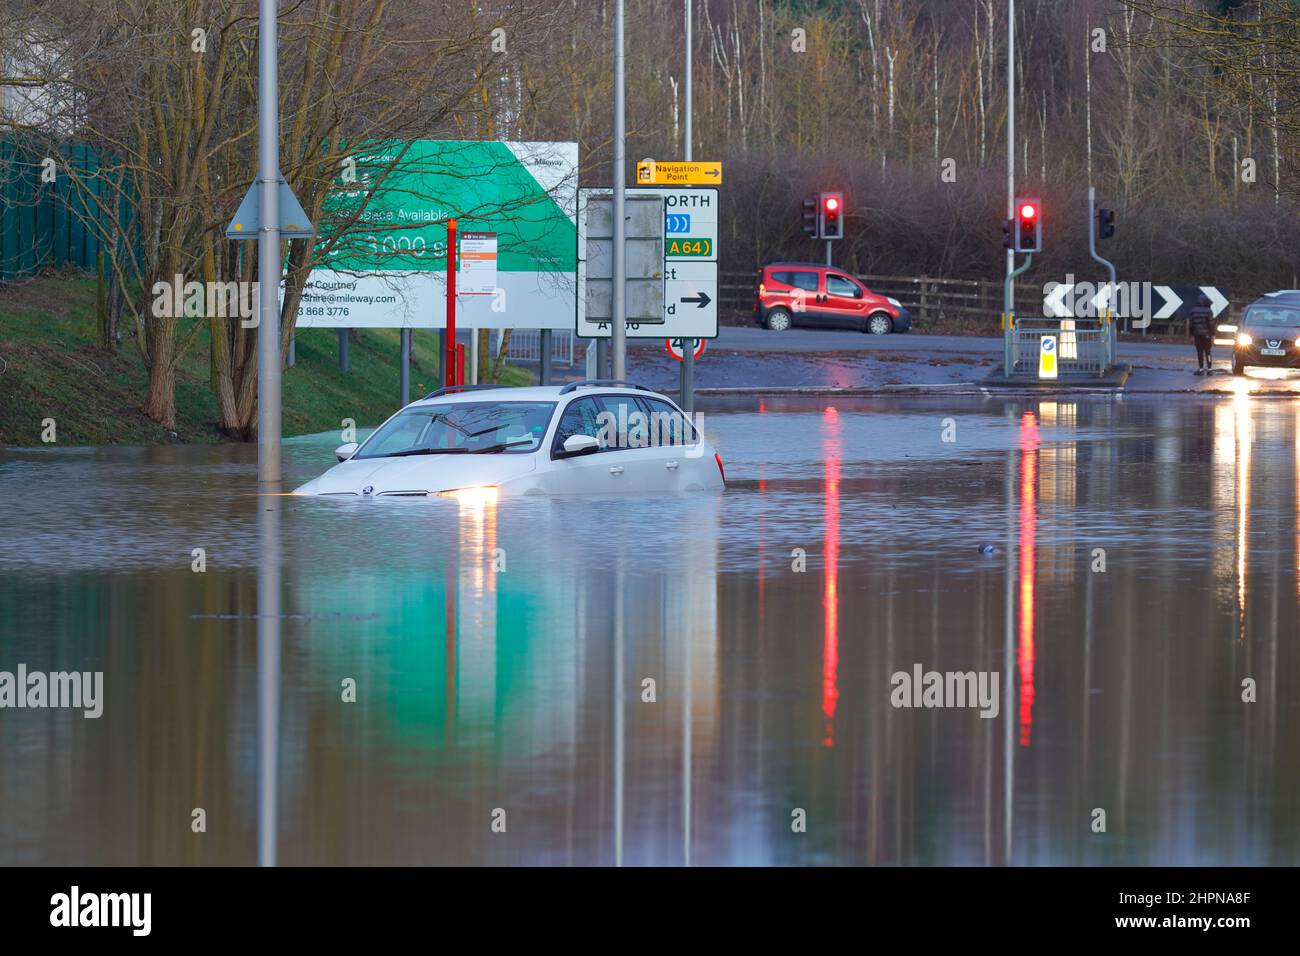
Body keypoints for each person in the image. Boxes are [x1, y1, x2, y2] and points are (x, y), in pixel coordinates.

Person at [1188, 294, 1215, 375]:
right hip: (1207, 335)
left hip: (1197, 334)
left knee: (1200, 351)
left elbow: (1191, 324)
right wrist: (1212, 334)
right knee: (1208, 352)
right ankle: (1210, 369)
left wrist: (1191, 334)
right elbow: (1211, 324)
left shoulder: (1193, 310)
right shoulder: (1208, 310)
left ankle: (1201, 369)